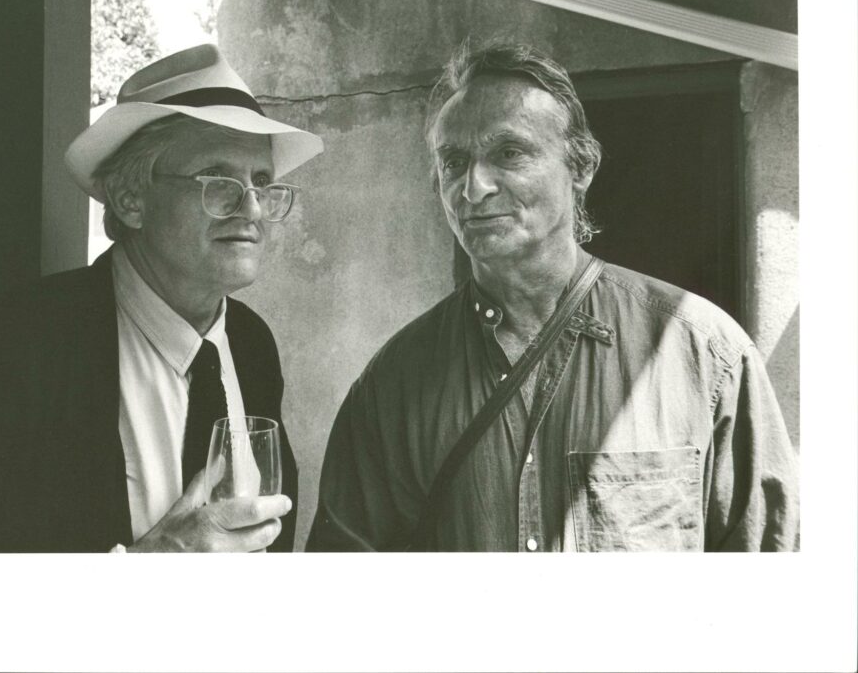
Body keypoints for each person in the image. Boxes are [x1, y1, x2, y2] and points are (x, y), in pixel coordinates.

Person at [307, 39, 799, 552]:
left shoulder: (706, 356)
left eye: (509, 152)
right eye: (453, 162)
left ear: (581, 167)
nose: (473, 188)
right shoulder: (391, 386)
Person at [0, 43, 323, 552]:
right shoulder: (0, 348)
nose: (253, 209)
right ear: (131, 200)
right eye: (219, 180)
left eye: (262, 182)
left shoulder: (252, 343)